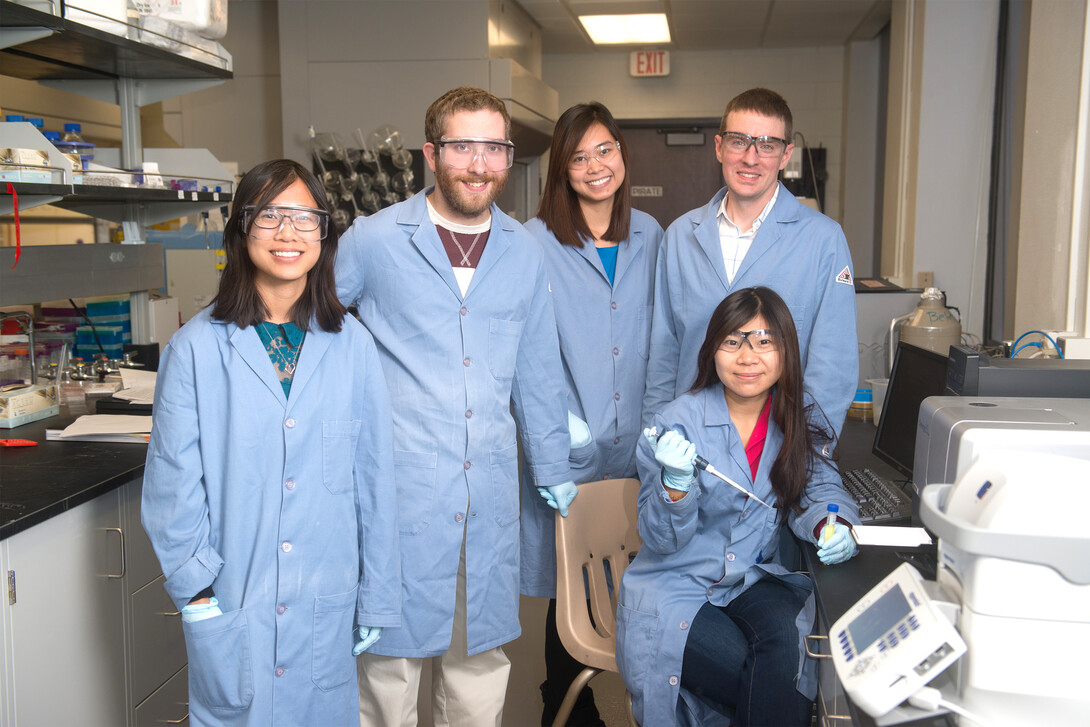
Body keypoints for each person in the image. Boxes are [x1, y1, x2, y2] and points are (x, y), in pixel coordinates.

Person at [335, 86, 578, 727]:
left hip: (489, 498)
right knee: (388, 676)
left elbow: (539, 366)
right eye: (462, 145)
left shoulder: (524, 250)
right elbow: (312, 331)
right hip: (399, 494)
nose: (479, 163)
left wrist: (553, 466)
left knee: (479, 673)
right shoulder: (375, 240)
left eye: (494, 147)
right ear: (431, 152)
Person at [142, 159, 401, 727]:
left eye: (306, 218)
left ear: (325, 234)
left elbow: (375, 480)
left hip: (324, 603)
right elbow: (172, 488)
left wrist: (377, 593)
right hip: (234, 597)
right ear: (241, 228)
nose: (289, 233)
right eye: (270, 216)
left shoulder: (353, 346)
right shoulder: (195, 349)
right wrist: (199, 592)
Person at [617, 286, 860, 727]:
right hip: (676, 586)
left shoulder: (796, 418)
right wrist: (675, 486)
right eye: (733, 341)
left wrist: (831, 521)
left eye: (764, 341)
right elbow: (660, 539)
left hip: (749, 580)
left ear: (786, 350)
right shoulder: (675, 422)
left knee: (791, 644)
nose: (748, 356)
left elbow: (821, 482)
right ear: (712, 350)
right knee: (782, 680)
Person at [518, 101, 663, 726]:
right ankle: (565, 703)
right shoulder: (533, 241)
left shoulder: (652, 235)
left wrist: (660, 428)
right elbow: (529, 351)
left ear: (623, 157)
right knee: (570, 581)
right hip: (569, 445)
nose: (595, 166)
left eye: (605, 150)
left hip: (639, 441)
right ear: (562, 169)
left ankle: (646, 696)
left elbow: (665, 338)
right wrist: (558, 431)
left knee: (637, 568)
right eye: (579, 156)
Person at [642, 87, 858, 434]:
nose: (751, 158)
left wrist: (808, 451)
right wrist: (656, 439)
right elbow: (664, 354)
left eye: (767, 145)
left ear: (786, 154)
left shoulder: (823, 241)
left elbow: (833, 365)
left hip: (779, 446)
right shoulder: (681, 236)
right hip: (690, 444)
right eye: (739, 141)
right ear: (719, 147)